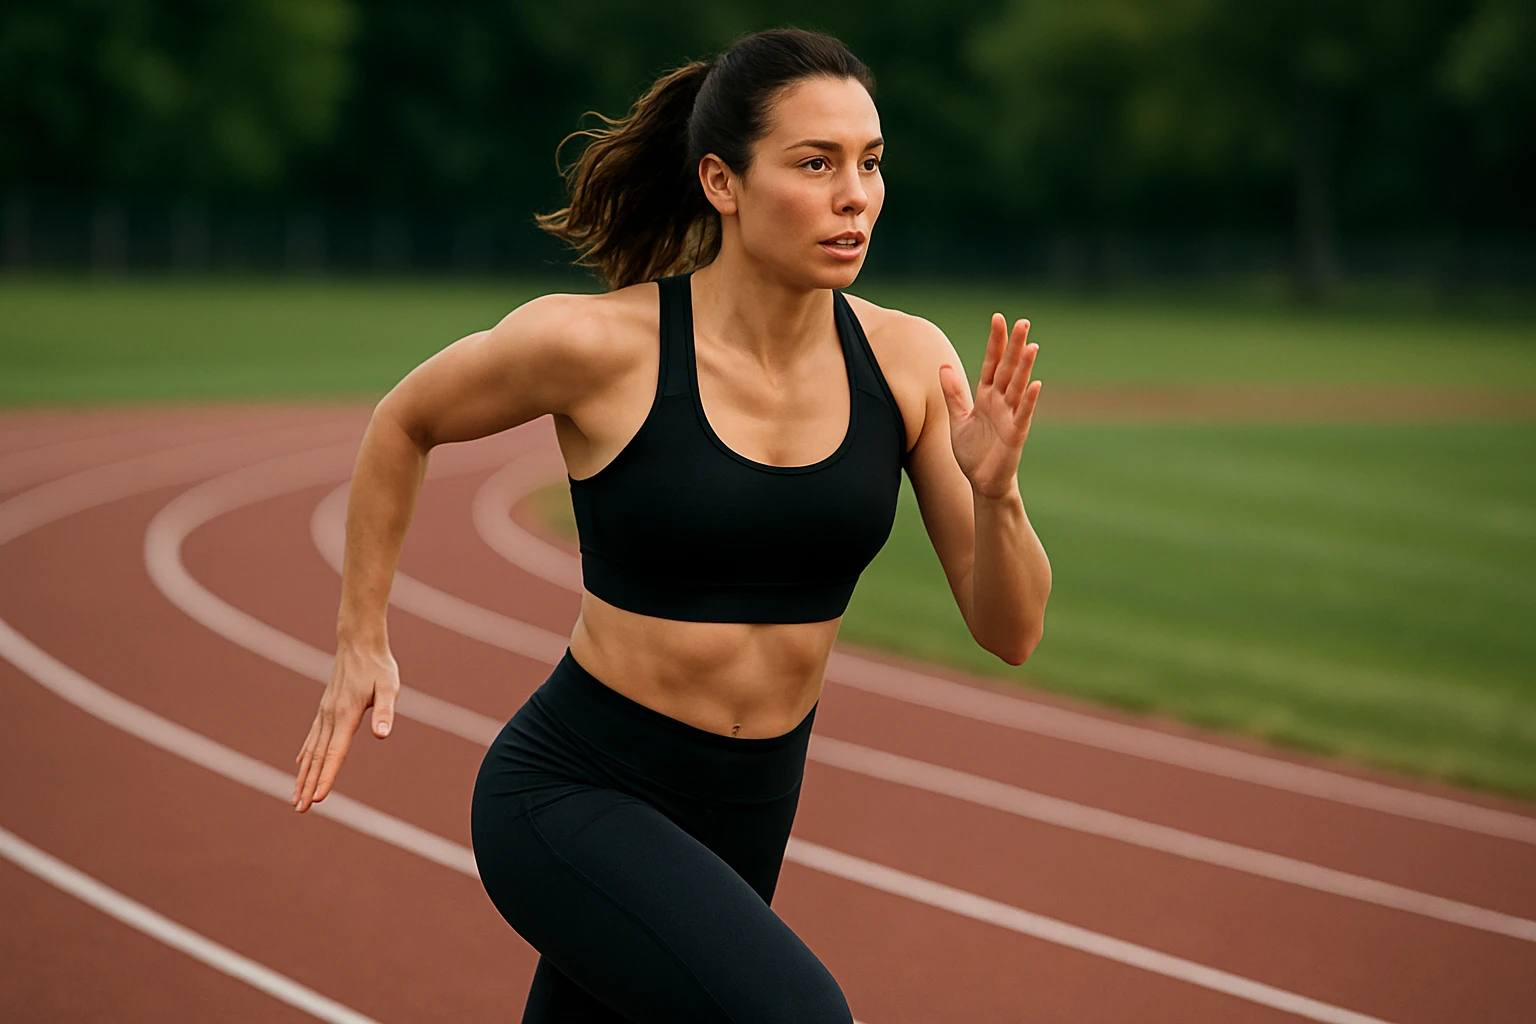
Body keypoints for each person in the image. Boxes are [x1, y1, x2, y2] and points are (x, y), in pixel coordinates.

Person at [290, 25, 1050, 1024]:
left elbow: (1012, 631)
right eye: (814, 164)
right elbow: (406, 421)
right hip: (574, 791)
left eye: (869, 163)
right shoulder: (600, 344)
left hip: (750, 806)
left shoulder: (908, 363)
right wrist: (360, 637)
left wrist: (994, 495)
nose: (854, 194)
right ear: (722, 182)